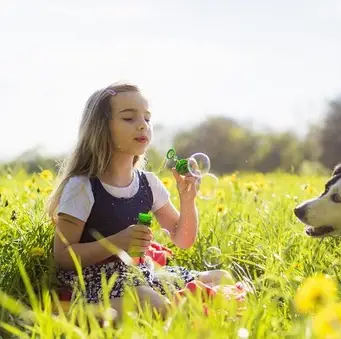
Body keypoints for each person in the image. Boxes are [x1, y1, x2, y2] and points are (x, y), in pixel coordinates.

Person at [45, 82, 230, 319]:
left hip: (139, 273)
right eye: (129, 118)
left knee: (221, 278)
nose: (143, 125)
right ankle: (77, 314)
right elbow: (62, 257)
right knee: (153, 302)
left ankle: (176, 311)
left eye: (147, 118)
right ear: (102, 128)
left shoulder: (148, 184)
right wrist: (115, 243)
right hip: (96, 281)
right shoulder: (82, 187)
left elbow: (182, 239)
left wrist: (187, 200)